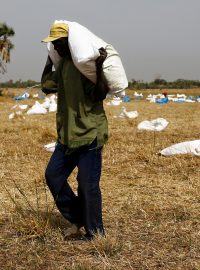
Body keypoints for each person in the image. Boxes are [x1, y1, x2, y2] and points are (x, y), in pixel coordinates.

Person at [41, 23, 109, 241]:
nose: (57, 47)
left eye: (59, 43)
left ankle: (95, 232)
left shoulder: (85, 67)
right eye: (54, 45)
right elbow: (45, 85)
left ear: (70, 42)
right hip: (67, 136)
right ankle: (78, 217)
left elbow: (100, 93)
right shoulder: (62, 67)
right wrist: (49, 60)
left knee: (87, 185)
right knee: (53, 175)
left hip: (89, 134)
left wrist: (98, 68)